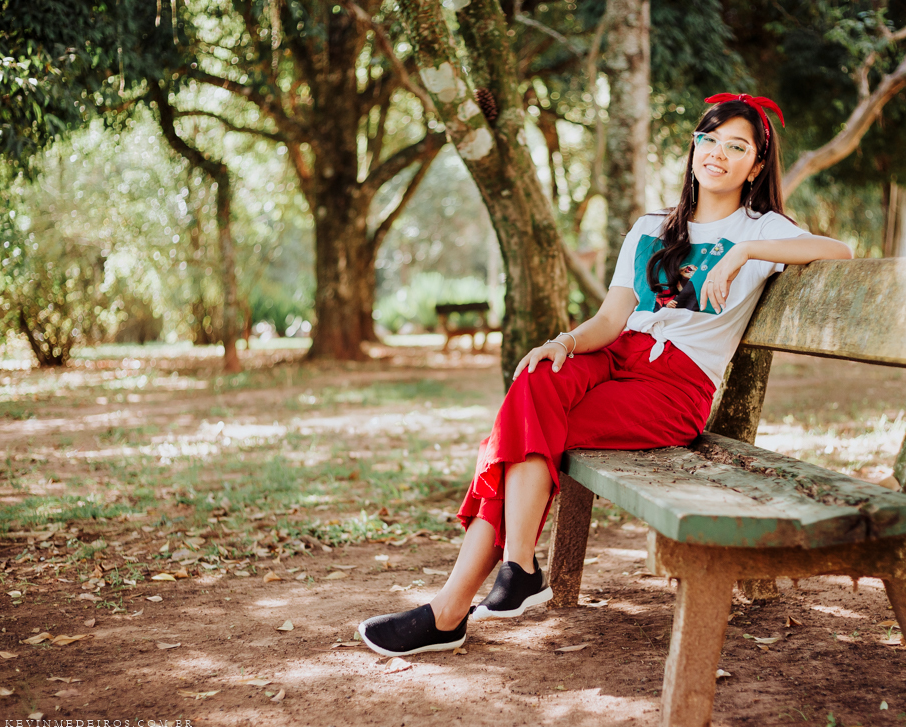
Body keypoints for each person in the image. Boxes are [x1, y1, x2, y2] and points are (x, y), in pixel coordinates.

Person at [359, 93, 854, 657]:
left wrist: (743, 253)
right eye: (709, 139)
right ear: (694, 148)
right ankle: (516, 565)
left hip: (674, 386)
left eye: (736, 146)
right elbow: (611, 319)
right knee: (536, 381)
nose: (718, 153)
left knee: (517, 437)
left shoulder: (764, 230)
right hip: (615, 355)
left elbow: (838, 250)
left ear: (756, 165)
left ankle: (456, 608)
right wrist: (563, 343)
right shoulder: (649, 229)